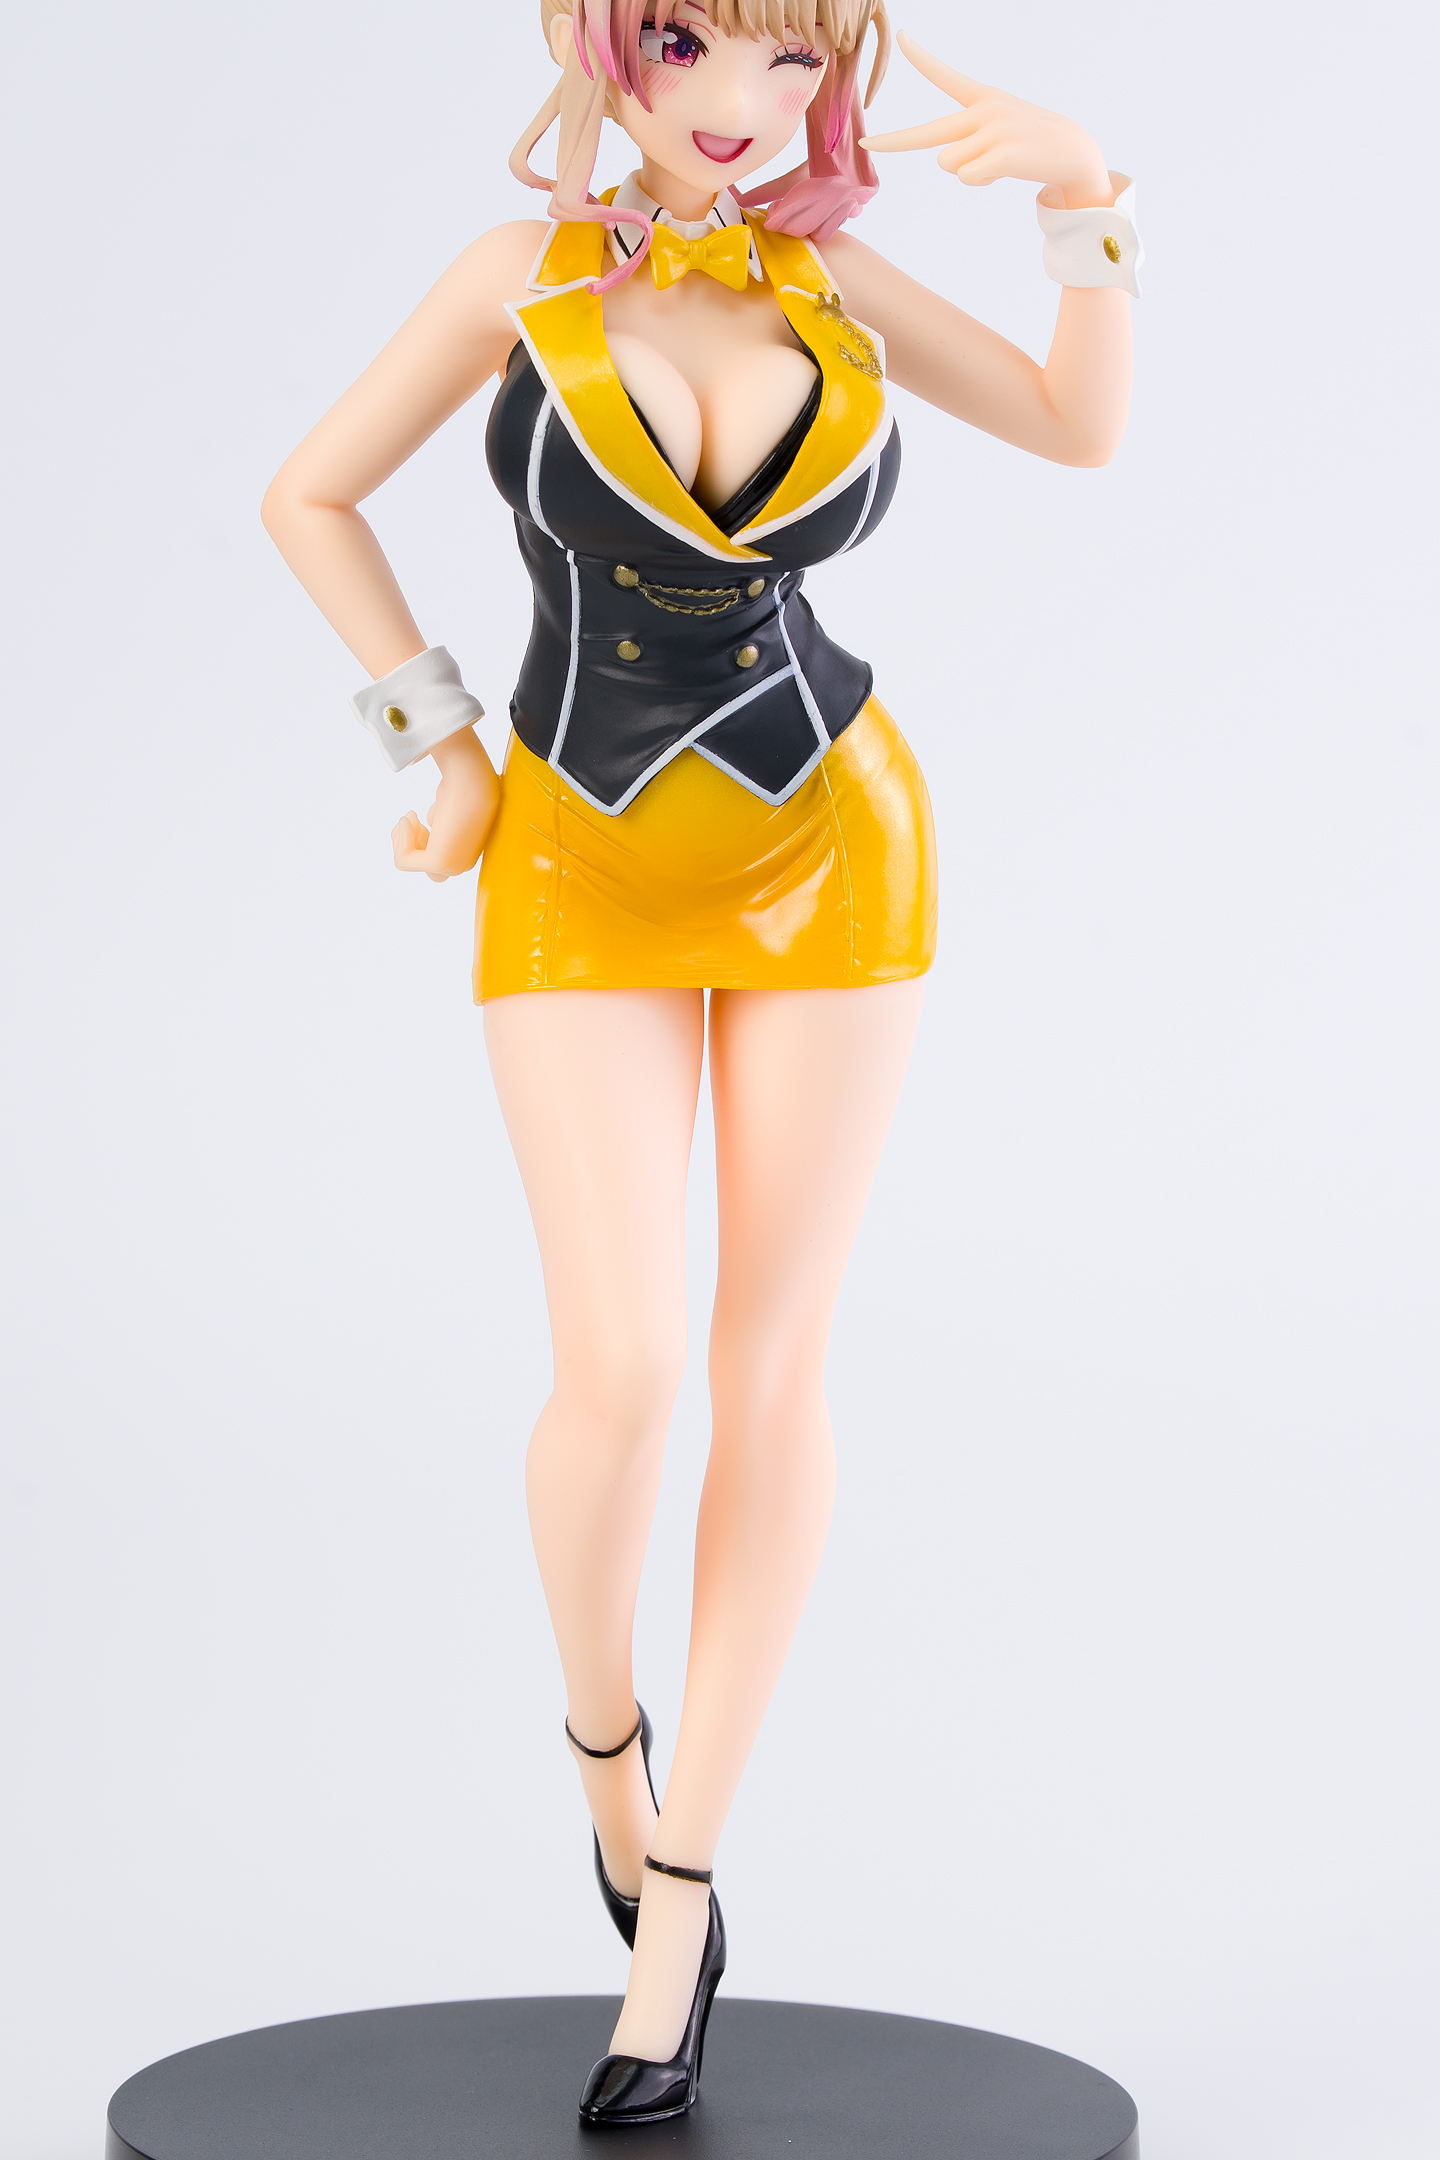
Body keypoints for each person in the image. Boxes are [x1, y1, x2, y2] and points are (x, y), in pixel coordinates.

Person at [261, 0, 1137, 2126]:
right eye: (684, 45)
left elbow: (1074, 426)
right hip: (572, 851)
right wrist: (442, 749)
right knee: (625, 1369)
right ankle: (603, 1744)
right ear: (601, 51)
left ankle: (683, 1896)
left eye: (788, 60)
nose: (738, 106)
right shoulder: (519, 277)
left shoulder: (835, 281)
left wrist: (1088, 207)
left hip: (838, 837)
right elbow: (309, 496)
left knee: (769, 1367)